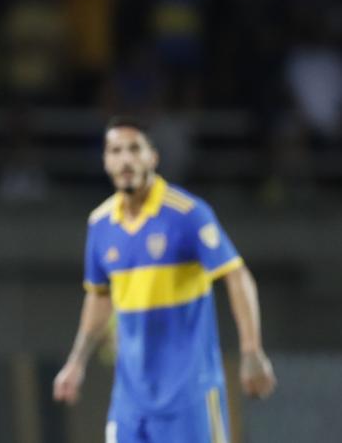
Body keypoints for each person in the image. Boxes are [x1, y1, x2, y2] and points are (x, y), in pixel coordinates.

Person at [52, 117, 277, 442]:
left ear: (152, 157)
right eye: (115, 150)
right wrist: (76, 363)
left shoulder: (187, 214)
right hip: (130, 402)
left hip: (190, 395)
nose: (125, 159)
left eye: (134, 149)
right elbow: (100, 296)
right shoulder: (100, 224)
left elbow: (236, 275)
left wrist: (252, 351)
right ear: (105, 160)